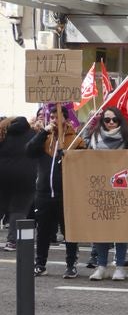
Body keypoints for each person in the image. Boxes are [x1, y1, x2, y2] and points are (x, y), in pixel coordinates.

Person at [85, 108, 128, 281]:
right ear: (102, 121)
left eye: (115, 119)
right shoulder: (94, 138)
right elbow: (83, 157)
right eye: (107, 120)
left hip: (122, 188)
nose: (111, 123)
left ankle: (120, 266)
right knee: (102, 229)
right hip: (99, 188)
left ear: (120, 120)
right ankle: (101, 266)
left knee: (120, 229)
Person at [26, 107, 79, 278]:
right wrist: (43, 133)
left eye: (58, 116)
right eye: (52, 116)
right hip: (43, 193)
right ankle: (40, 264)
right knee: (42, 231)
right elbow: (29, 151)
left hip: (65, 194)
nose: (55, 119)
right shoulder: (45, 137)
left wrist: (70, 156)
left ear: (65, 118)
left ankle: (71, 264)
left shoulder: (74, 138)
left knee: (68, 231)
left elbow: (83, 161)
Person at [0, 116, 37, 255]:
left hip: (3, 176)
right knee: (19, 210)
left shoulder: (2, 133)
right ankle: (12, 241)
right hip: (26, 177)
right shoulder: (33, 134)